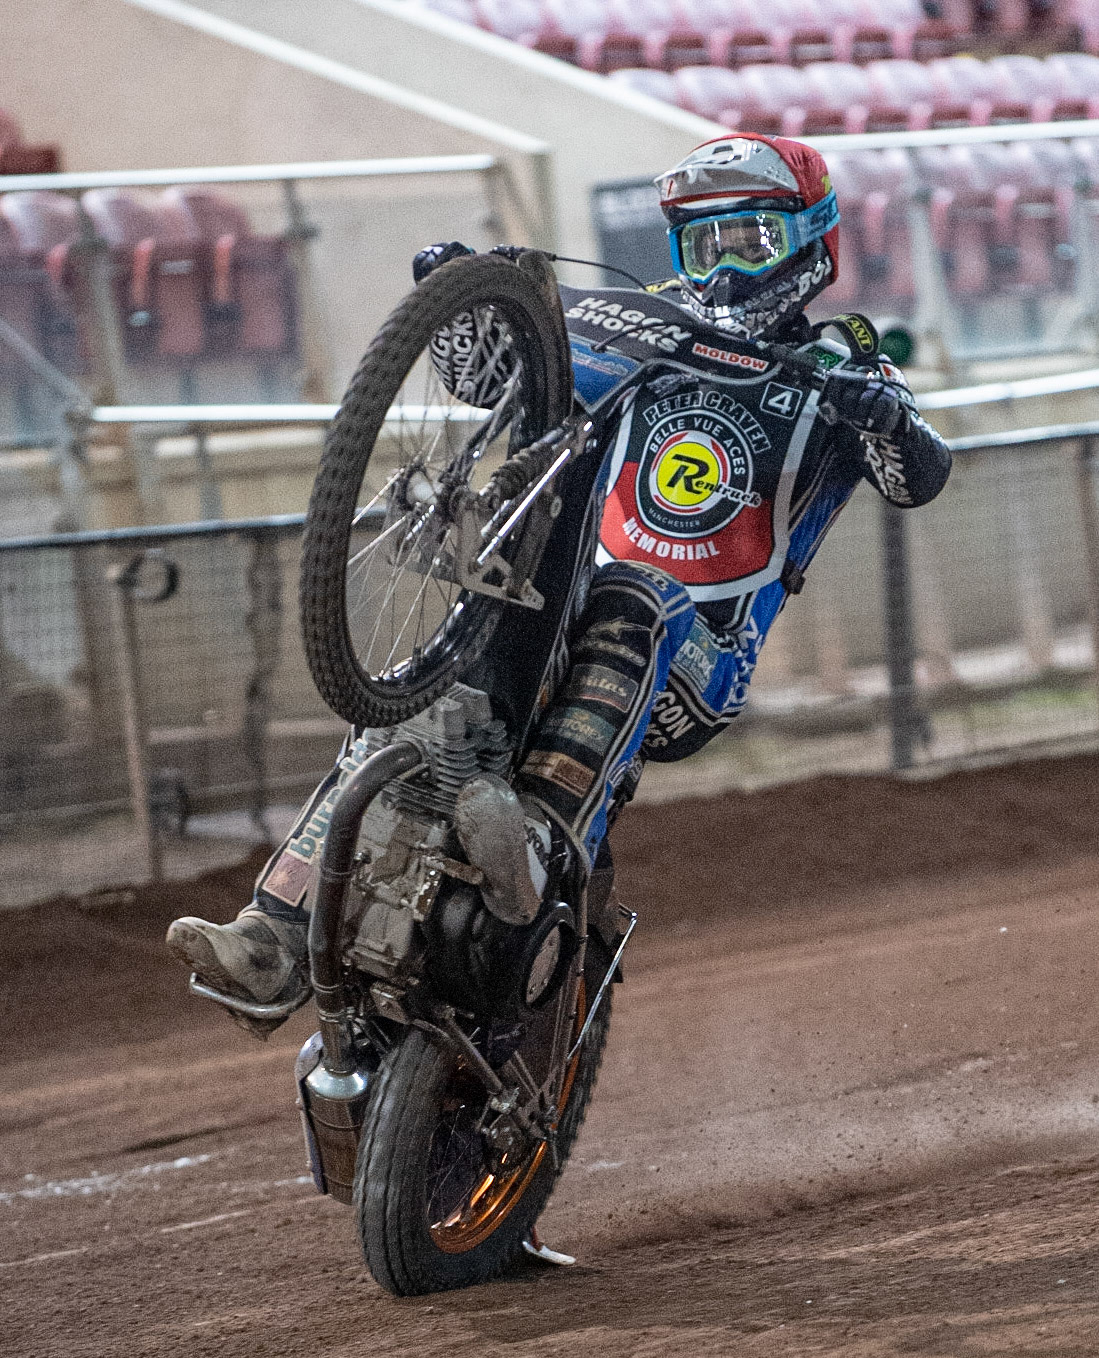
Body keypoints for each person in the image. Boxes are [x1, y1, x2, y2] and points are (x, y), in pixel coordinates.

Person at [167, 132, 951, 1027]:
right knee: (423, 685)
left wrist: (881, 413)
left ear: (811, 241)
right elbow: (490, 381)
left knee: (634, 593)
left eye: (752, 242)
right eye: (704, 245)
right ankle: (272, 937)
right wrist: (459, 301)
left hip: (695, 658)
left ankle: (536, 843)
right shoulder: (649, 322)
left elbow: (915, 474)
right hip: (563, 603)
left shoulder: (843, 362)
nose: (726, 269)